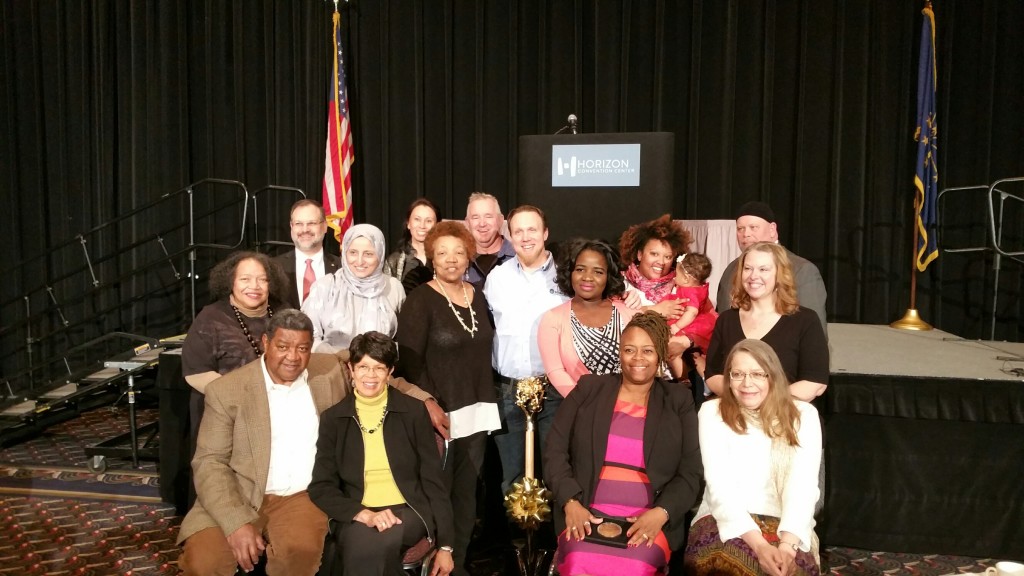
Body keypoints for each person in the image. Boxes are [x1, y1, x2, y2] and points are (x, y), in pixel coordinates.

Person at [176, 310, 438, 576]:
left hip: (302, 496)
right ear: (266, 343)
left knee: (298, 557)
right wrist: (235, 523)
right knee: (203, 564)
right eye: (283, 347)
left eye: (302, 348)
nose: (293, 357)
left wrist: (424, 400)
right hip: (238, 494)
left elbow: (377, 374)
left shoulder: (328, 370)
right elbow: (209, 462)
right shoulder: (227, 390)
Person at [544, 312, 703, 576]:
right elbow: (554, 450)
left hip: (649, 518)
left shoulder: (678, 400)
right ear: (620, 352)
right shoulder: (589, 388)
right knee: (578, 562)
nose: (638, 358)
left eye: (648, 351)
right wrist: (570, 502)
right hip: (585, 512)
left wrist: (662, 513)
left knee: (637, 566)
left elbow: (690, 471)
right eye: (629, 349)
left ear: (661, 354)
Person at [396, 220, 500, 576]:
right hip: (440, 414)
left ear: (469, 255)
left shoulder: (478, 295)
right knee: (440, 493)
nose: (452, 259)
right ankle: (436, 563)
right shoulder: (420, 300)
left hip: (478, 409)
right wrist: (427, 402)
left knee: (467, 494)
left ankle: (458, 563)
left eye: (458, 252)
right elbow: (408, 365)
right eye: (442, 253)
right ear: (431, 258)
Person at [308, 331, 455, 576]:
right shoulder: (333, 419)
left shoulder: (413, 412)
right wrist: (362, 514)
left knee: (362, 548)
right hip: (358, 512)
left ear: (390, 372)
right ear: (350, 369)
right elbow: (321, 486)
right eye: (363, 367)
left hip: (407, 511)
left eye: (379, 368)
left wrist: (446, 546)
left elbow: (433, 481)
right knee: (366, 544)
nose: (370, 375)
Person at [684, 339, 822, 576]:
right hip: (723, 519)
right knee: (732, 567)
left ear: (773, 377)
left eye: (758, 374)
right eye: (737, 374)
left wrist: (787, 548)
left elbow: (803, 487)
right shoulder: (712, 413)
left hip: (786, 524)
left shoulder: (804, 415)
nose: (747, 383)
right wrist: (759, 546)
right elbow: (720, 488)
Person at [483, 205, 569, 493]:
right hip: (507, 390)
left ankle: (556, 539)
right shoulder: (497, 277)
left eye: (532, 229)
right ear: (510, 236)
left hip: (555, 389)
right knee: (512, 478)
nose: (525, 237)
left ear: (545, 233)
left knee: (556, 472)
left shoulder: (567, 276)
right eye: (518, 231)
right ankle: (520, 539)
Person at [181, 251, 289, 454]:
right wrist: (245, 400)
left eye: (262, 280)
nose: (254, 286)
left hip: (278, 411)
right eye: (245, 279)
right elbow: (197, 374)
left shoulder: (284, 312)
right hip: (226, 415)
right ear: (231, 282)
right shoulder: (210, 317)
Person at [704, 242, 828, 402]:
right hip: (735, 418)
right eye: (748, 268)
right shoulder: (726, 320)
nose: (753, 276)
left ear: (780, 275)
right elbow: (713, 374)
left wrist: (762, 403)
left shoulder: (805, 320)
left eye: (763, 269)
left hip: (785, 418)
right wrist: (744, 400)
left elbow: (815, 381)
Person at [538, 238, 638, 400]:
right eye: (580, 269)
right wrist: (588, 405)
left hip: (631, 408)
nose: (588, 277)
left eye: (598, 272)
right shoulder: (552, 319)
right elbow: (556, 372)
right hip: (583, 411)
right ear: (570, 272)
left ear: (608, 276)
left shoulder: (629, 313)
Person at [715, 201, 827, 338]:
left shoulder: (801, 270)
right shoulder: (732, 269)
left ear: (772, 230)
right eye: (740, 229)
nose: (746, 234)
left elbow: (815, 336)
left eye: (753, 227)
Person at [302, 223, 405, 353]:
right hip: (330, 368)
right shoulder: (325, 286)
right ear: (344, 253)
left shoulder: (393, 287)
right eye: (353, 253)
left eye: (368, 254)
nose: (360, 261)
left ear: (380, 254)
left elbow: (406, 340)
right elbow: (306, 337)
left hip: (378, 370)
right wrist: (339, 356)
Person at [618, 214, 693, 322]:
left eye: (667, 257)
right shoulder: (619, 283)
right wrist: (653, 310)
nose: (661, 262)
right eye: (654, 254)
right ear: (640, 254)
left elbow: (707, 320)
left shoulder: (682, 284)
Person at [274, 199, 340, 310]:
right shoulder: (274, 267)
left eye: (312, 223)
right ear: (291, 226)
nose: (305, 230)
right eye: (298, 224)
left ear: (324, 226)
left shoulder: (342, 268)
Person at [665, 253, 718, 379]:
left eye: (676, 274)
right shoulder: (698, 287)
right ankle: (706, 379)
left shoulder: (691, 292)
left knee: (673, 353)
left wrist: (677, 326)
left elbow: (692, 312)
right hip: (695, 323)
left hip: (692, 325)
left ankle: (684, 379)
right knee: (695, 356)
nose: (674, 276)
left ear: (686, 279)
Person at [383, 198, 439, 294]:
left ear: (437, 225)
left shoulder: (444, 258)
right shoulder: (394, 261)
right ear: (408, 223)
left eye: (429, 221)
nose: (422, 225)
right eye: (417, 219)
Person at [464, 192, 515, 287]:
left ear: (500, 220)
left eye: (488, 216)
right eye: (475, 217)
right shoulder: (458, 260)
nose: (482, 223)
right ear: (467, 223)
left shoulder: (518, 257)